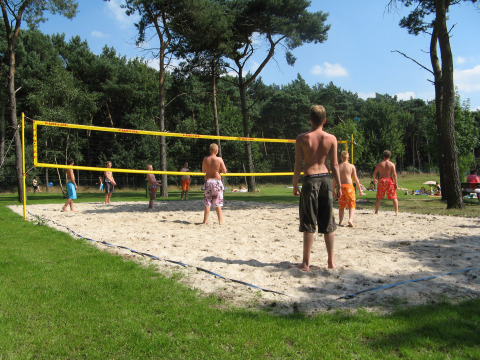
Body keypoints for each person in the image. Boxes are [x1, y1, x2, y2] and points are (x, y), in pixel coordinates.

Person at [292, 105, 341, 271]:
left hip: (310, 180)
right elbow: (334, 164)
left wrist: (294, 184)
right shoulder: (331, 138)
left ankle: (306, 263)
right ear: (325, 120)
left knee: (308, 223)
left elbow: (298, 164)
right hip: (326, 180)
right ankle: (331, 262)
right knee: (328, 223)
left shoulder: (302, 138)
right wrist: (339, 185)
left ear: (309, 119)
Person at [333, 150, 364, 227]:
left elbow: (334, 179)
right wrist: (360, 189)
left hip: (340, 187)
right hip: (349, 186)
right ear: (348, 157)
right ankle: (350, 219)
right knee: (351, 204)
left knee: (342, 205)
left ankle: (340, 221)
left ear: (341, 157)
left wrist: (333, 189)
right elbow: (355, 179)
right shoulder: (351, 166)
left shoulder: (338, 166)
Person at [202, 143, 227, 225]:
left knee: (207, 202)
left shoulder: (205, 159)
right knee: (218, 202)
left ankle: (205, 221)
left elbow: (203, 171)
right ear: (216, 150)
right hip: (216, 181)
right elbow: (224, 171)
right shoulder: (219, 159)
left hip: (208, 181)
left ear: (210, 150)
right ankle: (220, 221)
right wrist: (218, 170)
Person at [372, 150, 398, 215]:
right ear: (390, 156)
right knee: (394, 197)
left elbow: (374, 173)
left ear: (383, 156)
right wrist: (396, 183)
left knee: (379, 197)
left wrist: (374, 179)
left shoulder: (380, 164)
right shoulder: (392, 164)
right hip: (389, 180)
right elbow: (394, 174)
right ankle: (396, 212)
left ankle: (376, 211)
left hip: (381, 180)